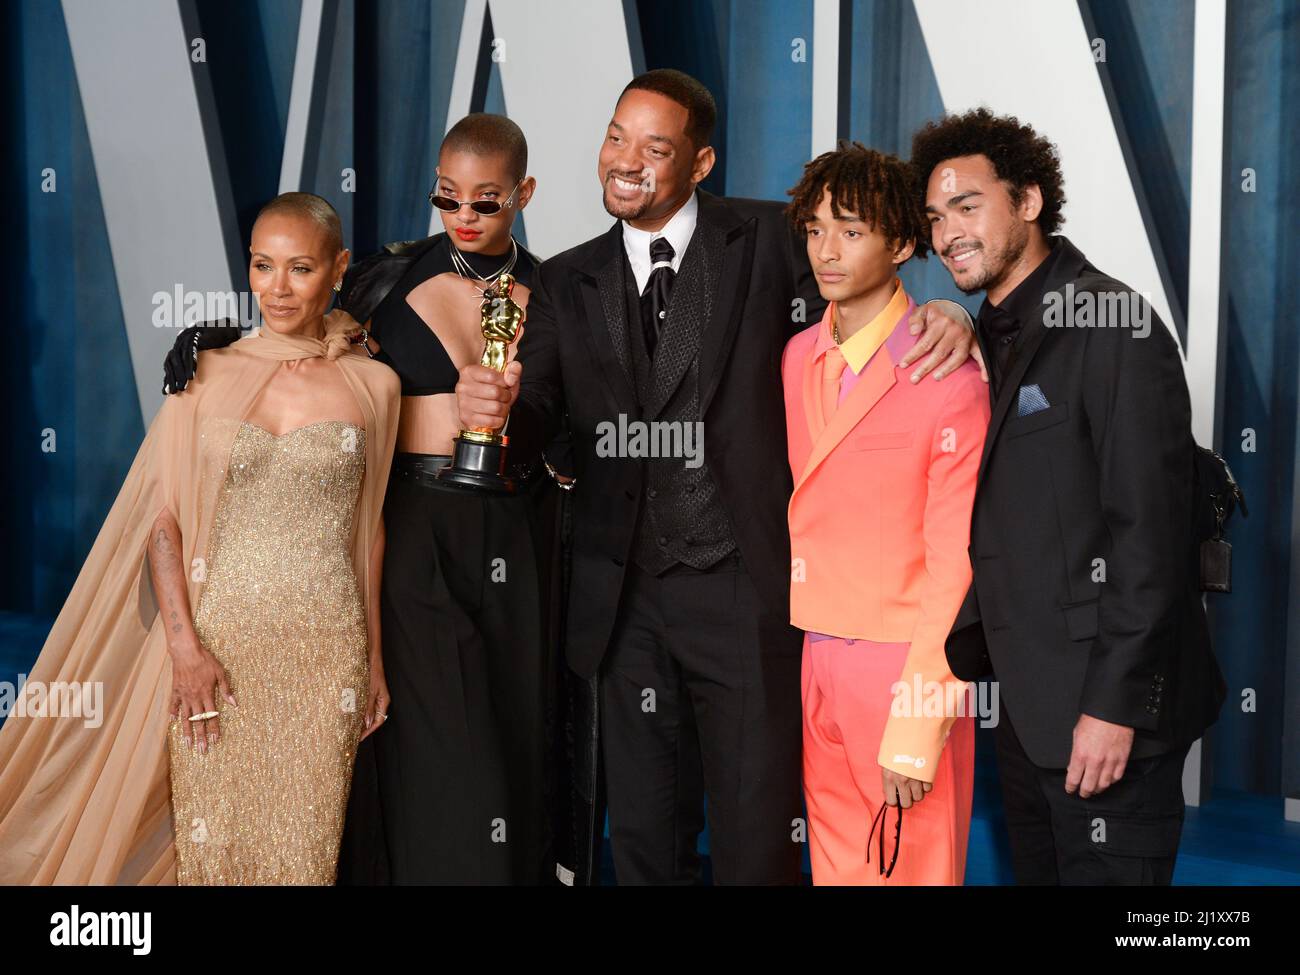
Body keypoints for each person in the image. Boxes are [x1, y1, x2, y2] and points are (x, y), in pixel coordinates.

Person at [456, 69, 981, 885]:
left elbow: (869, 302)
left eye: (654, 147)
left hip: (745, 591)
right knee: (642, 838)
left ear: (700, 164)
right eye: (615, 137)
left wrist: (953, 312)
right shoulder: (566, 278)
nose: (624, 161)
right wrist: (497, 411)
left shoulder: (776, 239)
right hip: (623, 599)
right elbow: (542, 426)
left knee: (754, 837)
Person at [162, 115, 565, 885]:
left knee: (515, 745)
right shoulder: (389, 277)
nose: (466, 219)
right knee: (437, 747)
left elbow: (573, 416)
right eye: (449, 199)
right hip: (412, 528)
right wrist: (213, 342)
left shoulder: (559, 292)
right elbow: (309, 340)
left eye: (488, 202)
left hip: (518, 532)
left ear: (525, 194)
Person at [0, 192, 400, 884]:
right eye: (262, 265)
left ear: (338, 268)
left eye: (300, 268)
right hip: (218, 647)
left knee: (302, 855)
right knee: (210, 849)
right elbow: (165, 523)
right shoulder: (203, 374)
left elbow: (369, 532)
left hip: (324, 651)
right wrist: (184, 648)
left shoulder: (376, 386)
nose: (277, 288)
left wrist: (373, 662)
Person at [915, 108, 1226, 884]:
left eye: (967, 205)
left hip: (1108, 716)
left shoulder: (1113, 325)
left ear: (1028, 200)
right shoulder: (980, 334)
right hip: (1028, 715)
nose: (946, 230)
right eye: (933, 216)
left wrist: (1115, 707)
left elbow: (1149, 539)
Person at [782, 143, 988, 885]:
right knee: (835, 866)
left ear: (902, 243)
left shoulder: (948, 371)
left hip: (905, 663)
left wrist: (919, 718)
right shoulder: (797, 355)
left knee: (913, 868)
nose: (826, 250)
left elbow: (955, 562)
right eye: (814, 229)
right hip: (815, 652)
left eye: (851, 229)